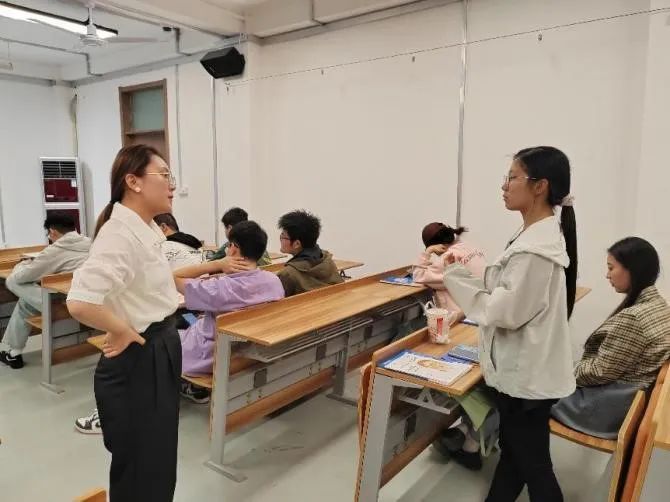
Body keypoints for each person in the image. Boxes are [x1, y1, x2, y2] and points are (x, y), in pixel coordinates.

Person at [443, 146, 578, 501]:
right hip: (526, 375)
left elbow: (501, 311)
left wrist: (452, 276)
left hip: (525, 379)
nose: (504, 186)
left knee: (534, 466)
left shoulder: (535, 250)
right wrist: (463, 272)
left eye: (512, 177)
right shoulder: (533, 236)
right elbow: (504, 284)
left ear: (540, 186)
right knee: (516, 458)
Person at [66, 145, 181, 501]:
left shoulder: (145, 228)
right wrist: (121, 329)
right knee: (142, 465)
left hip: (158, 344)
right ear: (133, 182)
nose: (172, 185)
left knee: (158, 458)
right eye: (165, 175)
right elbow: (80, 302)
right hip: (140, 355)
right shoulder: (118, 234)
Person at [552, 237, 670, 438]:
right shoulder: (659, 305)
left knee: (524, 392)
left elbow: (599, 372)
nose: (607, 275)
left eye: (611, 268)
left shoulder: (634, 318)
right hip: (625, 403)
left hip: (607, 410)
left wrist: (559, 373)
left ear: (632, 269)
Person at [173, 220, 285, 403]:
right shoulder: (273, 281)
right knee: (192, 319)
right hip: (250, 347)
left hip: (211, 354)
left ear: (233, 248)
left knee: (174, 326)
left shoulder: (219, 288)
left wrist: (217, 264)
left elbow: (174, 276)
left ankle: (189, 386)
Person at [0, 213, 90, 369]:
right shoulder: (90, 243)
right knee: (25, 303)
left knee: (12, 280)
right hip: (83, 293)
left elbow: (22, 277)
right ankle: (14, 353)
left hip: (68, 300)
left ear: (52, 231)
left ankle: (14, 353)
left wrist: (22, 264)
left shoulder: (55, 250)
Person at [412, 222, 486, 324]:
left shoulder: (447, 257)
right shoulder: (470, 248)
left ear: (435, 245)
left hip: (463, 317)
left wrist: (428, 251)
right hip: (481, 308)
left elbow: (418, 275)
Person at [277, 210, 343, 296]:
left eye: (283, 236)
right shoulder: (327, 259)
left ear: (297, 244)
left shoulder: (287, 274)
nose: (280, 239)